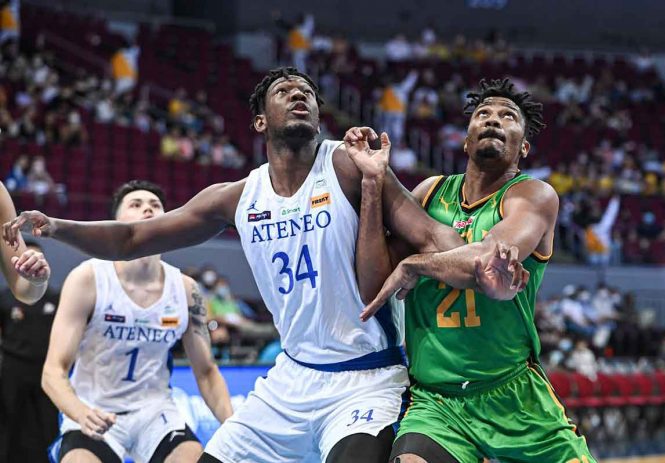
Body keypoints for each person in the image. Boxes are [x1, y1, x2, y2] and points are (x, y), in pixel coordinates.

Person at [2, 67, 526, 463]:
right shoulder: (238, 195)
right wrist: (59, 227)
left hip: (366, 380)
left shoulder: (347, 166)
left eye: (309, 94)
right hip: (290, 380)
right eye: (285, 91)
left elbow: (434, 236)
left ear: (320, 117)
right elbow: (136, 235)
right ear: (260, 121)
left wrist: (486, 259)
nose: (301, 95)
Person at [355, 79, 596, 462]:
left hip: (512, 394)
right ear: (466, 142)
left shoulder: (532, 195)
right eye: (483, 114)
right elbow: (375, 282)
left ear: (524, 147)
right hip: (438, 402)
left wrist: (415, 263)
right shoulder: (430, 193)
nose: (493, 120)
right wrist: (371, 184)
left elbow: (484, 260)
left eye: (507, 116)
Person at [42, 180, 232, 463]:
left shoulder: (186, 289)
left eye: (155, 205)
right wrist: (80, 412)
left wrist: (234, 427)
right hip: (93, 408)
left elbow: (206, 372)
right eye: (136, 204)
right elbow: (53, 372)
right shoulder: (88, 279)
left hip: (155, 413)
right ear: (116, 223)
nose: (148, 210)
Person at [0, 240, 59, 463]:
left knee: (48, 422)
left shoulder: (56, 298)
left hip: (46, 371)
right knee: (10, 420)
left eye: (38, 259)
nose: (32, 264)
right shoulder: (5, 299)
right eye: (28, 258)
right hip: (12, 371)